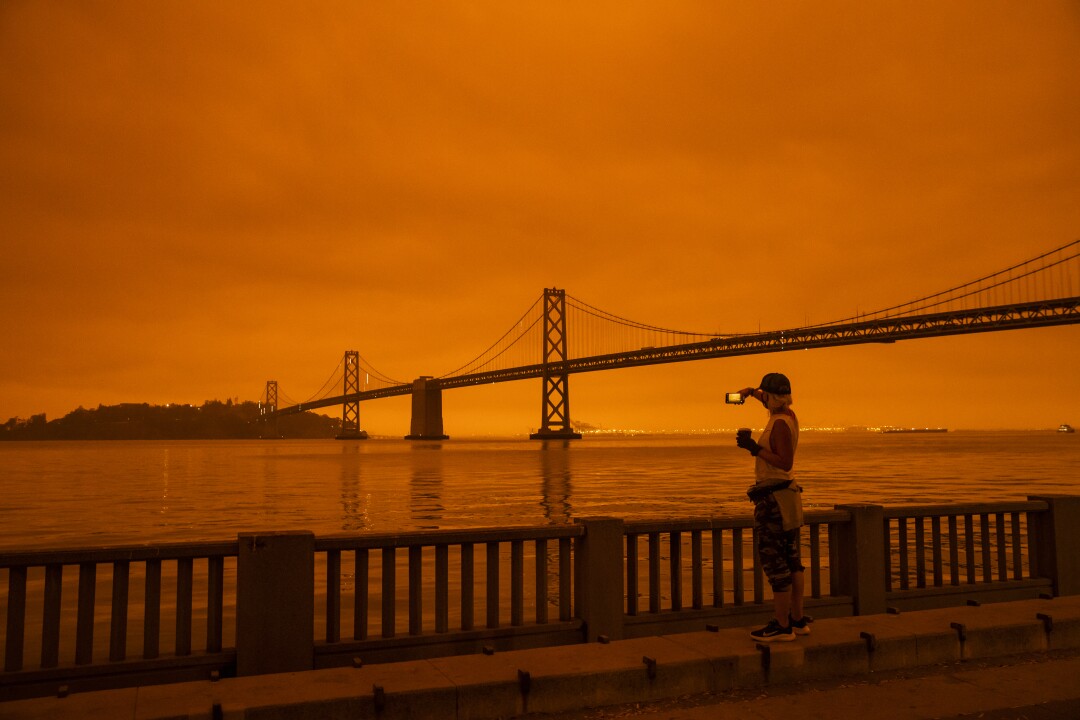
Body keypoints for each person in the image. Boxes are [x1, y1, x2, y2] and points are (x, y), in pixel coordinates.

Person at [735, 372, 810, 642]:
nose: (762, 398)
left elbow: (784, 462)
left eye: (763, 395)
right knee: (792, 561)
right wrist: (750, 392)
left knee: (775, 562)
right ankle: (798, 620)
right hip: (787, 499)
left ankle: (781, 626)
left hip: (774, 501)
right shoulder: (788, 415)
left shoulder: (778, 424)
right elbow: (768, 400)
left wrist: (753, 448)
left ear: (770, 397)